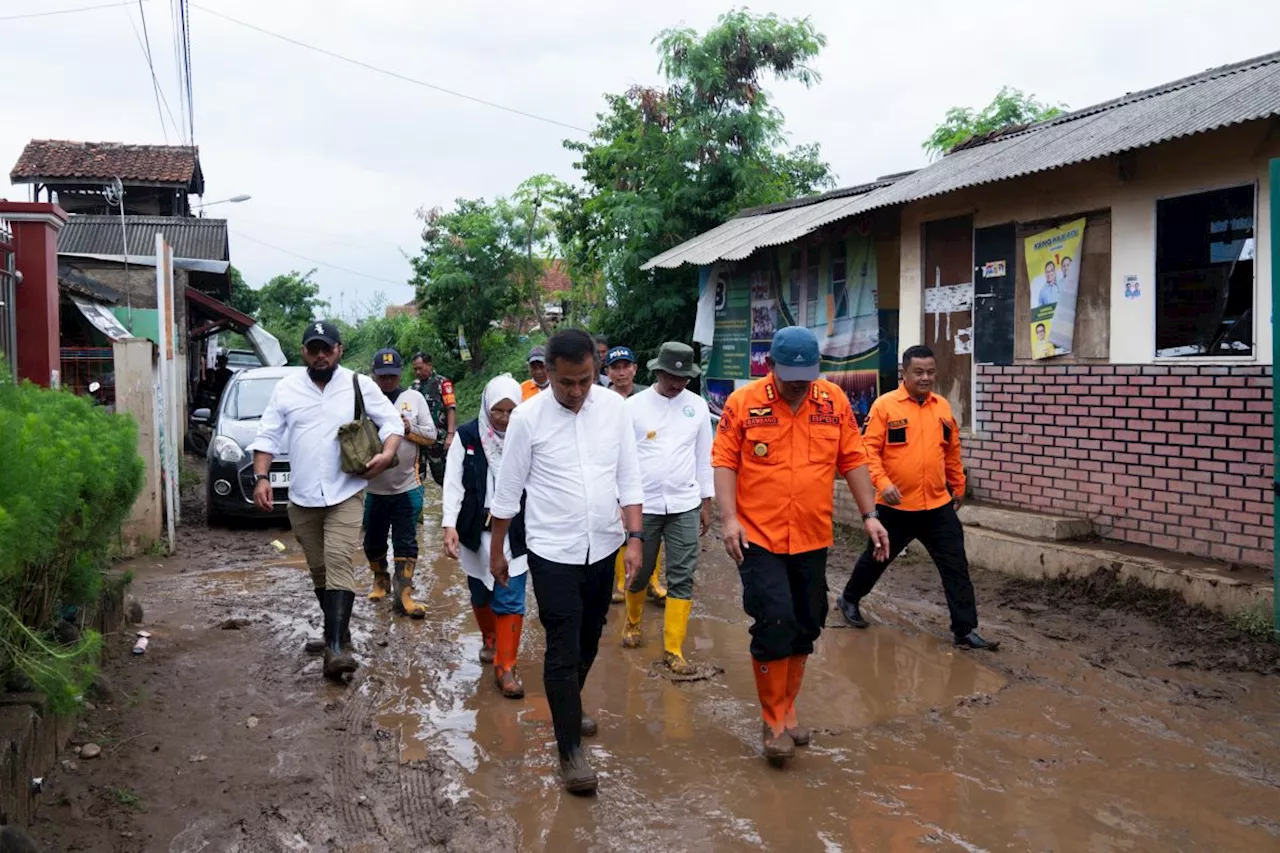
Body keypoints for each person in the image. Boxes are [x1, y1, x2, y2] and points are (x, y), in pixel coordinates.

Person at [712, 326, 889, 765]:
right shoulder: (744, 403)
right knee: (774, 619)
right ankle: (773, 721)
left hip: (812, 534)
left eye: (805, 374)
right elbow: (724, 461)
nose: (797, 383)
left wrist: (870, 516)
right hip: (758, 536)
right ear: (770, 365)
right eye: (789, 373)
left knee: (807, 622)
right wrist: (730, 518)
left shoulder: (832, 402)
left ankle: (789, 710)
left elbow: (852, 459)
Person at [489, 328, 644, 794]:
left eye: (584, 381)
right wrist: (497, 550)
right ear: (546, 375)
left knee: (592, 634)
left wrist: (634, 538)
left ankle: (567, 706)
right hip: (551, 549)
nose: (576, 392)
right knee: (563, 640)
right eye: (565, 383)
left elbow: (630, 477)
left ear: (595, 371)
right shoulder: (528, 418)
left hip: (604, 544)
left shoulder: (615, 409)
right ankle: (570, 751)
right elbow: (508, 490)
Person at [249, 321, 404, 680]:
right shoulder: (287, 389)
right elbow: (267, 434)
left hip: (345, 490)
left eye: (327, 348)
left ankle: (334, 648)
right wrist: (261, 478)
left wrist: (386, 454)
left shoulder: (358, 385)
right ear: (303, 352)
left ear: (339, 350)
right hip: (302, 497)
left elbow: (392, 423)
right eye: (313, 348)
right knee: (319, 569)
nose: (320, 355)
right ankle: (339, 631)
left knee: (338, 562)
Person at [837, 345, 1000, 652]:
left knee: (956, 567)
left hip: (937, 507)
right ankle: (849, 599)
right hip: (895, 508)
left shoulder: (942, 407)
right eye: (919, 372)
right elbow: (867, 451)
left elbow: (951, 451)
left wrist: (958, 485)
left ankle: (965, 630)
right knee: (875, 559)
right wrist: (882, 484)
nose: (925, 378)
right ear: (904, 373)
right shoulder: (885, 406)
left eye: (930, 372)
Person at [621, 342, 713, 673]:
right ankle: (632, 623)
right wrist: (621, 503)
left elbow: (704, 456)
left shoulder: (698, 407)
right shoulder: (633, 407)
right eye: (671, 376)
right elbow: (622, 459)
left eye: (683, 378)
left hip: (684, 503)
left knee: (682, 575)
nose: (677, 384)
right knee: (640, 572)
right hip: (643, 505)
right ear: (658, 371)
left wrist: (707, 501)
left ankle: (673, 649)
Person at [442, 375, 529, 698]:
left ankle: (506, 667)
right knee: (480, 592)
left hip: (515, 530)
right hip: (475, 530)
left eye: (511, 411)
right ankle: (490, 638)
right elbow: (454, 482)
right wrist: (449, 524)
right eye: (498, 412)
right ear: (486, 408)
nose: (505, 419)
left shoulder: (527, 435)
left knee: (511, 595)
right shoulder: (467, 436)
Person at [363, 349, 437, 618]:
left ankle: (404, 593)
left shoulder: (413, 399)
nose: (388, 381)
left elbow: (431, 436)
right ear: (374, 375)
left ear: (400, 373)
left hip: (409, 484)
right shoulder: (364, 401)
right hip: (372, 487)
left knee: (406, 541)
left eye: (393, 376)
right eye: (382, 376)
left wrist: (409, 429)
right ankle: (380, 580)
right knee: (373, 541)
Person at [604, 345, 666, 606]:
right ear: (607, 372)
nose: (621, 373)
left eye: (626, 366)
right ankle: (619, 581)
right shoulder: (600, 400)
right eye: (615, 368)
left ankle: (652, 579)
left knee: (652, 528)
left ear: (634, 368)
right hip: (612, 469)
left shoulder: (647, 398)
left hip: (645, 472)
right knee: (619, 527)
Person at [411, 352, 456, 485]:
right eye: (415, 369)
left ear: (429, 365)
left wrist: (450, 435)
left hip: (439, 438)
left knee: (443, 476)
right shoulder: (414, 386)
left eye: (421, 368)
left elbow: (451, 409)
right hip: (419, 439)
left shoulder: (443, 383)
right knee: (417, 477)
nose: (418, 372)